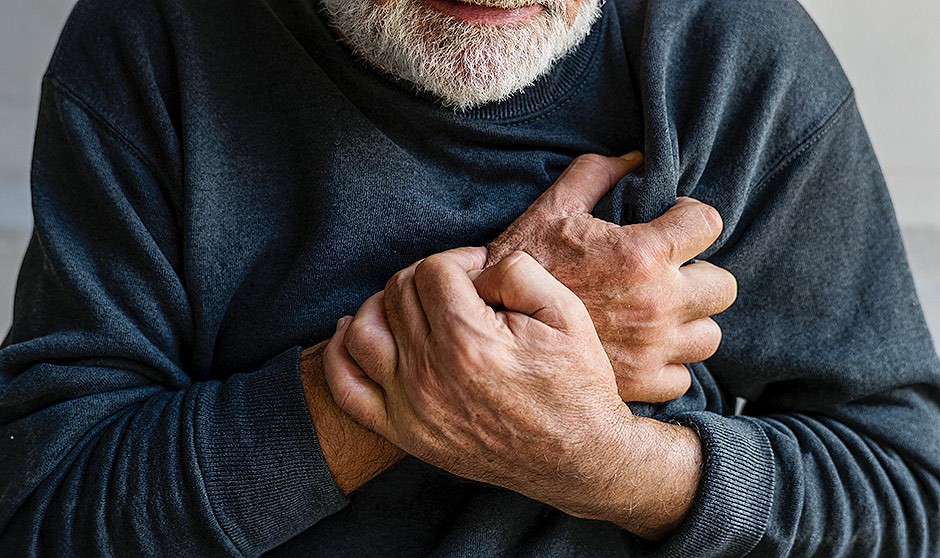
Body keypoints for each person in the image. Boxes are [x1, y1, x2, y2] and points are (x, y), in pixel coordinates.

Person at [0, 0, 937, 556]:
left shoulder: (733, 53)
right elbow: (44, 515)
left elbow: (908, 499)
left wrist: (610, 464)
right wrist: (470, 350)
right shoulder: (154, 35)